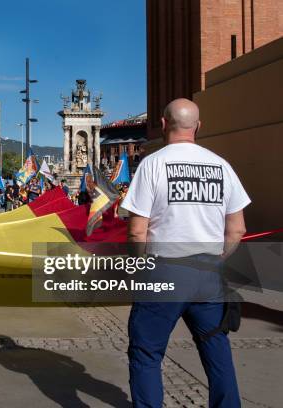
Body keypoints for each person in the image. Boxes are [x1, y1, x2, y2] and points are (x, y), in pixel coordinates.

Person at [120, 98, 250, 407]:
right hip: (207, 272)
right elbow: (237, 230)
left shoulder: (152, 164)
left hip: (164, 270)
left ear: (164, 124)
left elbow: (137, 230)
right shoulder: (222, 166)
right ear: (198, 126)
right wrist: (216, 261)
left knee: (147, 351)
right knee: (215, 345)